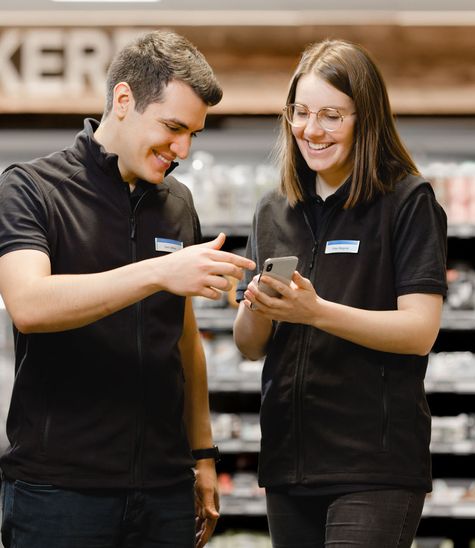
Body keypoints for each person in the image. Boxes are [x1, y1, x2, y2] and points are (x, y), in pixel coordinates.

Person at [0, 30, 255, 548]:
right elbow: (29, 304)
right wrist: (159, 272)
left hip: (163, 488)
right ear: (123, 100)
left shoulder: (177, 203)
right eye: (172, 127)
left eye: (193, 135)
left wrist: (202, 456)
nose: (181, 149)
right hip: (59, 490)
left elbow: (184, 341)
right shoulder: (31, 188)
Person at [233, 39, 447, 548]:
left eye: (331, 115)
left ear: (365, 119)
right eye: (300, 112)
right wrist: (256, 306)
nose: (311, 130)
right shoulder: (274, 209)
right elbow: (249, 345)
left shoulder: (407, 202)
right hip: (289, 463)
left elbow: (419, 331)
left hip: (372, 465)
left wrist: (316, 312)